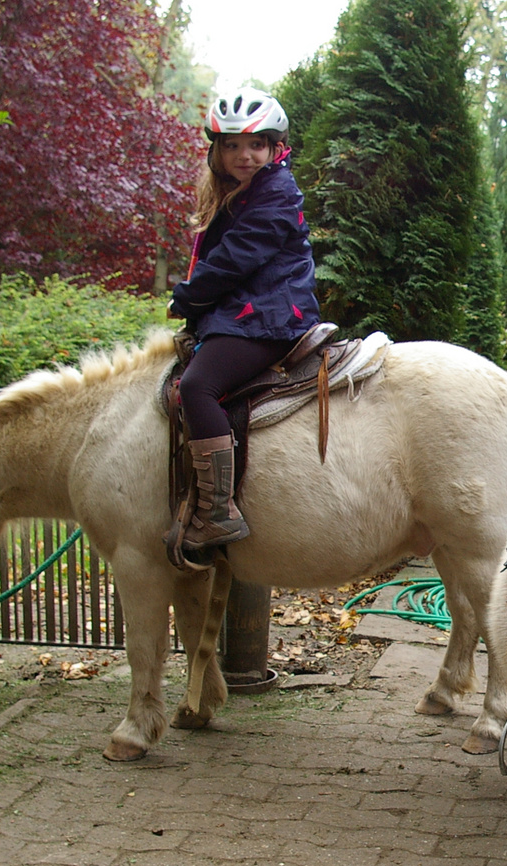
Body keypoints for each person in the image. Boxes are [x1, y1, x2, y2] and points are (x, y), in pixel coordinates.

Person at [168, 87, 320, 550]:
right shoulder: (241, 194)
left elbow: (236, 260)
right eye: (232, 145)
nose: (244, 155)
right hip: (249, 312)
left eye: (256, 144)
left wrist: (186, 300)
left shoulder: (275, 192)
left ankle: (217, 513)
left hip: (269, 316)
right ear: (217, 152)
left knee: (197, 387)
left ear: (276, 149)